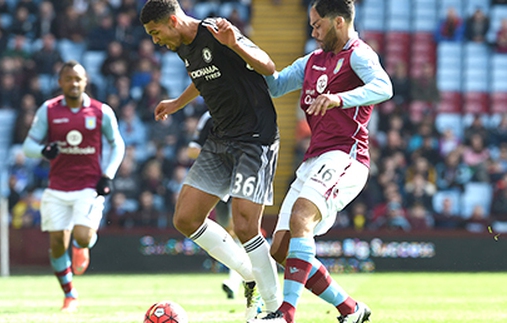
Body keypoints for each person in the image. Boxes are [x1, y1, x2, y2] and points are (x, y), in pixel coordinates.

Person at [249, 0, 392, 322]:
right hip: (314, 158)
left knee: (302, 218)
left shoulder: (359, 54)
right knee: (281, 249)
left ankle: (285, 313)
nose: (312, 31)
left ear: (338, 22)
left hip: (346, 155)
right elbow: (275, 86)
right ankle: (351, 309)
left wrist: (340, 98)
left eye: (317, 25)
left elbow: (384, 87)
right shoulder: (312, 60)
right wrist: (242, 53)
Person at [139, 0, 281, 320]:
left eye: (155, 32)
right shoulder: (183, 45)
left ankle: (274, 311)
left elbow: (268, 66)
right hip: (221, 139)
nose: (154, 40)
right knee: (186, 218)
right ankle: (249, 275)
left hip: (255, 139)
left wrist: (237, 46)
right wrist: (177, 102)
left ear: (173, 20)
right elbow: (204, 77)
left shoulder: (216, 31)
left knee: (245, 226)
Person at [22, 60, 125, 312]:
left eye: (78, 79)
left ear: (85, 81)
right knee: (57, 243)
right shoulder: (48, 110)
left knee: (82, 236)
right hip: (57, 187)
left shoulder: (101, 111)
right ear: (60, 82)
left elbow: (117, 144)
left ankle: (82, 247)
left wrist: (108, 175)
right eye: (68, 79)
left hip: (89, 185)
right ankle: (70, 295)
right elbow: (28, 146)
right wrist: (43, 151)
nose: (74, 83)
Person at [186, 110, 243, 299]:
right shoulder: (209, 116)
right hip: (217, 183)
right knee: (228, 232)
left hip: (242, 180)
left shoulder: (246, 111)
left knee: (241, 231)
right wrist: (217, 155)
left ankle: (236, 280)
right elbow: (192, 149)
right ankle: (243, 276)